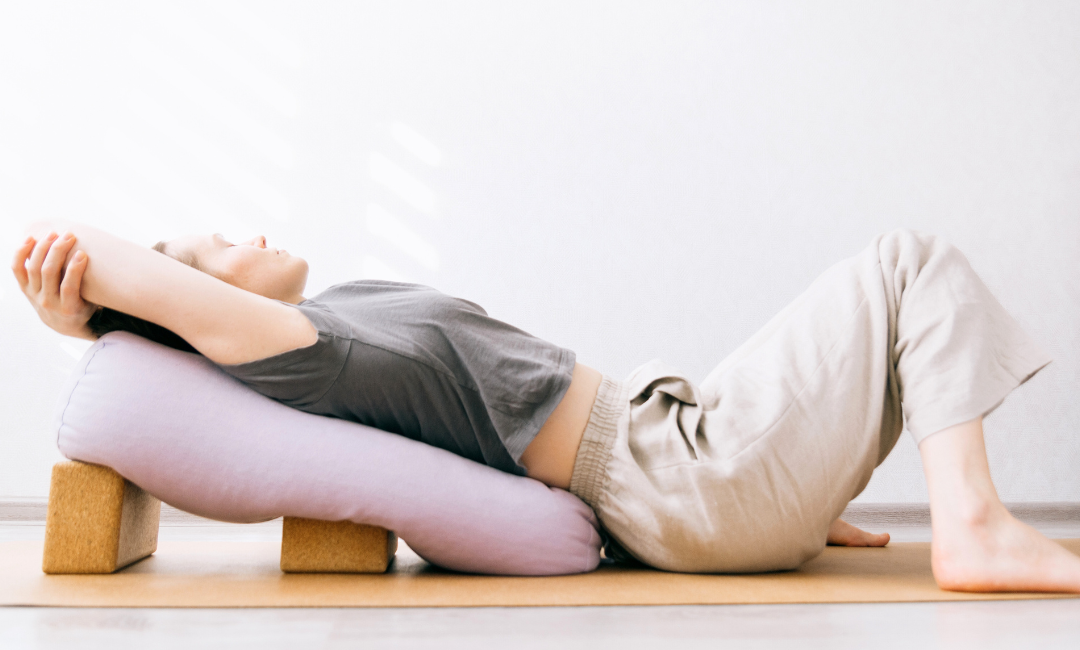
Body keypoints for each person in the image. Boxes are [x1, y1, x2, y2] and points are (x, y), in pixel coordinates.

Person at [12, 222, 1080, 593]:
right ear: (209, 307)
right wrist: (83, 310)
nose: (243, 225)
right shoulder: (295, 349)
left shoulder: (337, 316)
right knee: (909, 262)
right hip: (678, 474)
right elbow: (83, 249)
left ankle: (822, 500)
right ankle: (974, 527)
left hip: (682, 446)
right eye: (213, 244)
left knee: (882, 307)